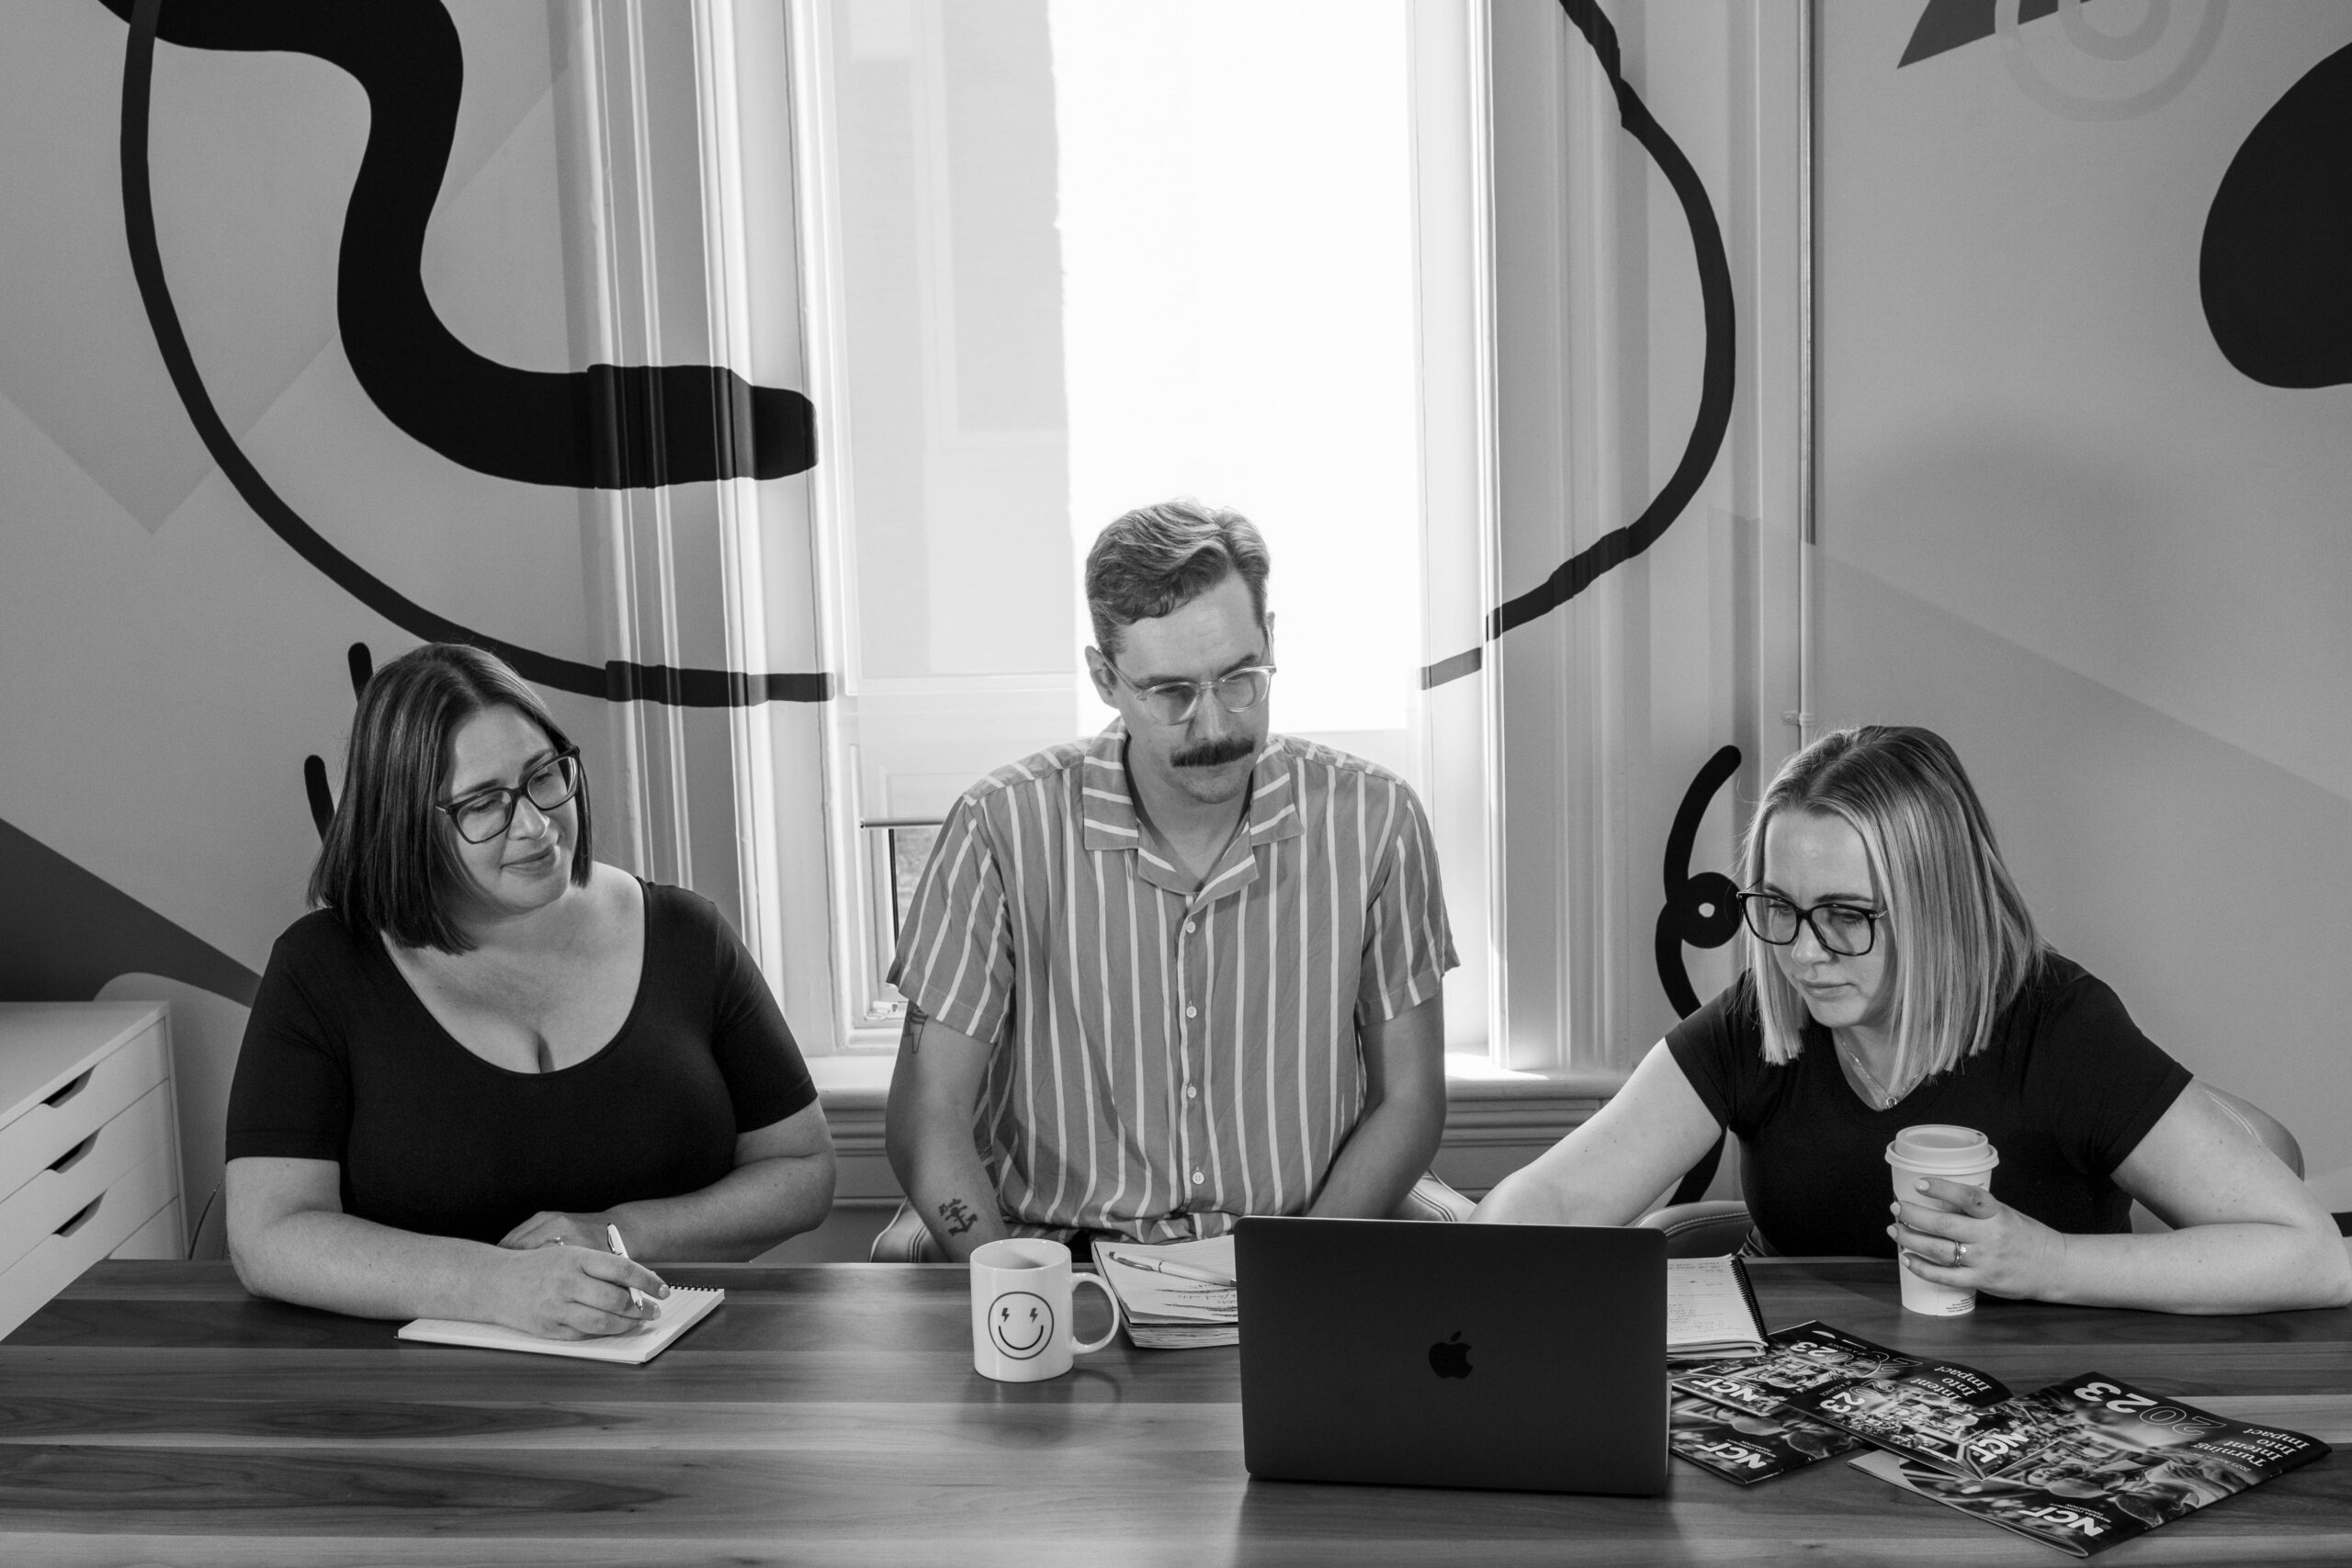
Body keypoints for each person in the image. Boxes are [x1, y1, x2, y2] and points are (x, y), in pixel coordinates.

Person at [1474, 725, 2350, 1314]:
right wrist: (1472, 1264)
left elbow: (2314, 1255)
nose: (1804, 952)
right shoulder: (1760, 1019)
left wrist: (2046, 1263)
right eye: (1777, 905)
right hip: (1811, 1422)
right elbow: (1554, 1193)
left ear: (1937, 904)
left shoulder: (2058, 1026)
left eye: (1848, 914)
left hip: (2033, 1416)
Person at [885, 499, 1455, 1260]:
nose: (1216, 726)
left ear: (1271, 639)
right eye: (1172, 694)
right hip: (1065, 1253)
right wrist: (1015, 1285)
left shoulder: (1376, 821)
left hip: (1300, 1245)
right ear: (1105, 678)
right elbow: (930, 1116)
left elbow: (1408, 1098)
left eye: (1241, 678)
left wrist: (1300, 1274)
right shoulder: (999, 830)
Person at [225, 644, 834, 1337]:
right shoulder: (321, 970)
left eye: (546, 776)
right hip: (410, 1404)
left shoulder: (687, 932)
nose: (539, 825)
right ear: (403, 824)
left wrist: (618, 1232)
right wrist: (502, 1285)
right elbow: (267, 1235)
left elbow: (803, 1169)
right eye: (484, 803)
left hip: (680, 1369)